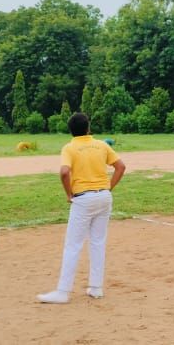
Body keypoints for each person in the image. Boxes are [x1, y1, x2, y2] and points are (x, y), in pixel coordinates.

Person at [37, 113, 127, 304]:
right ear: (88, 127)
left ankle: (63, 291)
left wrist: (68, 193)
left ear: (71, 130)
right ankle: (96, 288)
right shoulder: (102, 145)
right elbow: (121, 167)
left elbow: (64, 172)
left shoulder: (70, 148)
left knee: (73, 245)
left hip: (83, 199)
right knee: (97, 242)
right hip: (103, 196)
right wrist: (108, 187)